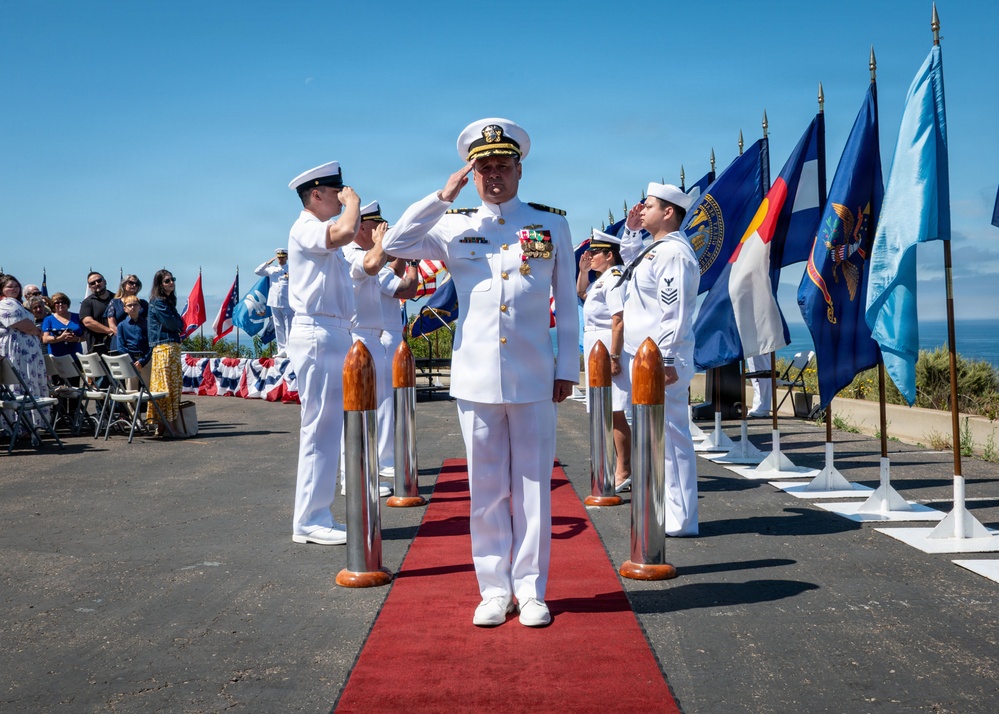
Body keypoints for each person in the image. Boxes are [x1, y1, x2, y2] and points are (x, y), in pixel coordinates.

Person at [383, 118, 578, 628]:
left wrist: (568, 366)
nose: (494, 176)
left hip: (536, 375)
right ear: (472, 175)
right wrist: (441, 195)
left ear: (519, 170)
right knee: (487, 487)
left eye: (503, 166)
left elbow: (569, 306)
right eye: (484, 168)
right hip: (475, 377)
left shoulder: (549, 225)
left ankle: (532, 591)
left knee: (533, 486)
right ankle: (493, 589)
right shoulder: (452, 225)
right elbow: (398, 243)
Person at [286, 161, 360, 547]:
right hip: (317, 331)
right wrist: (355, 203)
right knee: (319, 428)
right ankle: (310, 519)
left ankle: (318, 514)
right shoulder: (307, 227)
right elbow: (347, 230)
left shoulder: (315, 229)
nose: (341, 197)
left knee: (328, 428)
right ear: (317, 194)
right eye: (336, 192)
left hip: (332, 331)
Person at [621, 182, 699, 537]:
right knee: (655, 438)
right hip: (647, 359)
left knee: (670, 437)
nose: (642, 209)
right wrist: (631, 231)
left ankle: (682, 518)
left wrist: (665, 358)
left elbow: (675, 310)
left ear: (669, 212)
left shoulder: (674, 254)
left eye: (649, 205)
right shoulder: (657, 250)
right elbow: (630, 268)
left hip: (663, 361)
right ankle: (668, 508)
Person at [342, 200, 421, 496]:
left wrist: (398, 251)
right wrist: (404, 256)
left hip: (374, 337)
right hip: (361, 337)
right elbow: (404, 286)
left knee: (380, 404)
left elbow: (389, 268)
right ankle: (358, 476)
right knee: (365, 408)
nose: (381, 232)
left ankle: (369, 469)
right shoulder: (355, 255)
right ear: (363, 227)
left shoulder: (367, 256)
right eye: (377, 227)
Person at [577, 229, 632, 492]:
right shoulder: (602, 280)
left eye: (595, 252)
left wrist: (614, 355)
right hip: (595, 346)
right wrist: (583, 271)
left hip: (608, 346)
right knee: (604, 412)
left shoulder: (614, 278)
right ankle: (615, 466)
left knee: (615, 412)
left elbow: (618, 319)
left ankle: (624, 470)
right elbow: (583, 295)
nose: (591, 256)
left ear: (609, 255)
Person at [0, 274, 50, 430]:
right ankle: (21, 424)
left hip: (26, 350)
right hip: (18, 351)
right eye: (9, 286)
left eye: (16, 286)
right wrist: (36, 331)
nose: (14, 289)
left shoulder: (16, 303)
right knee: (21, 383)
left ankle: (28, 424)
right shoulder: (6, 303)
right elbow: (24, 325)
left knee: (27, 382)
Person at [146, 269, 185, 436]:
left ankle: (163, 427)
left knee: (168, 387)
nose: (171, 283)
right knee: (168, 388)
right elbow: (173, 324)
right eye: (167, 281)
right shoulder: (160, 302)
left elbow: (179, 322)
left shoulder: (166, 301)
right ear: (160, 284)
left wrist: (179, 322)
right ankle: (170, 428)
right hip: (165, 348)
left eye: (172, 279)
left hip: (168, 347)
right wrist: (178, 323)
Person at [254, 250, 292, 358]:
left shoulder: (291, 269)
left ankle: (290, 351)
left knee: (289, 327)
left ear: (286, 257)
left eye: (282, 257)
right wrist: (267, 263)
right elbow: (257, 271)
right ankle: (281, 350)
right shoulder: (272, 269)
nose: (280, 259)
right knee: (278, 327)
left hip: (287, 302)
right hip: (274, 301)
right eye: (279, 257)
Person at [117, 296, 152, 389]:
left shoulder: (147, 324)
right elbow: (120, 346)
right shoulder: (121, 325)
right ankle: (132, 405)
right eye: (129, 305)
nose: (132, 307)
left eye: (135, 305)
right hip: (130, 361)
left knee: (150, 391)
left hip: (146, 360)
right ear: (125, 309)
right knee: (131, 391)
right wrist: (132, 361)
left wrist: (142, 361)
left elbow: (151, 344)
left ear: (140, 307)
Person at [105, 275, 148, 350]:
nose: (134, 285)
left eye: (136, 284)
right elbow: (112, 326)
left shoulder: (143, 304)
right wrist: (124, 337)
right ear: (124, 285)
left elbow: (148, 323)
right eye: (131, 283)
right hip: (119, 343)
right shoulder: (114, 303)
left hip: (139, 343)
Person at [79, 272, 115, 355]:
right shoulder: (87, 303)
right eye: (92, 283)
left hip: (117, 346)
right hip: (97, 348)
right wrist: (109, 331)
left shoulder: (117, 299)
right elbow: (88, 322)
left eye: (99, 281)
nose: (96, 284)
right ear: (89, 287)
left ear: (105, 281)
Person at [41, 292, 85, 357]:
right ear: (53, 305)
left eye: (63, 302)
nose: (60, 304)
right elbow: (44, 339)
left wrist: (77, 339)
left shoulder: (77, 317)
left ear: (67, 304)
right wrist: (60, 338)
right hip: (57, 358)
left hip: (76, 356)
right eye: (57, 303)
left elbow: (87, 336)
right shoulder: (48, 320)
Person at [747, 353, 773, 418]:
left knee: (762, 376)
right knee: (756, 378)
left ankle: (764, 408)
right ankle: (757, 406)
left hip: (760, 348)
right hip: (753, 349)